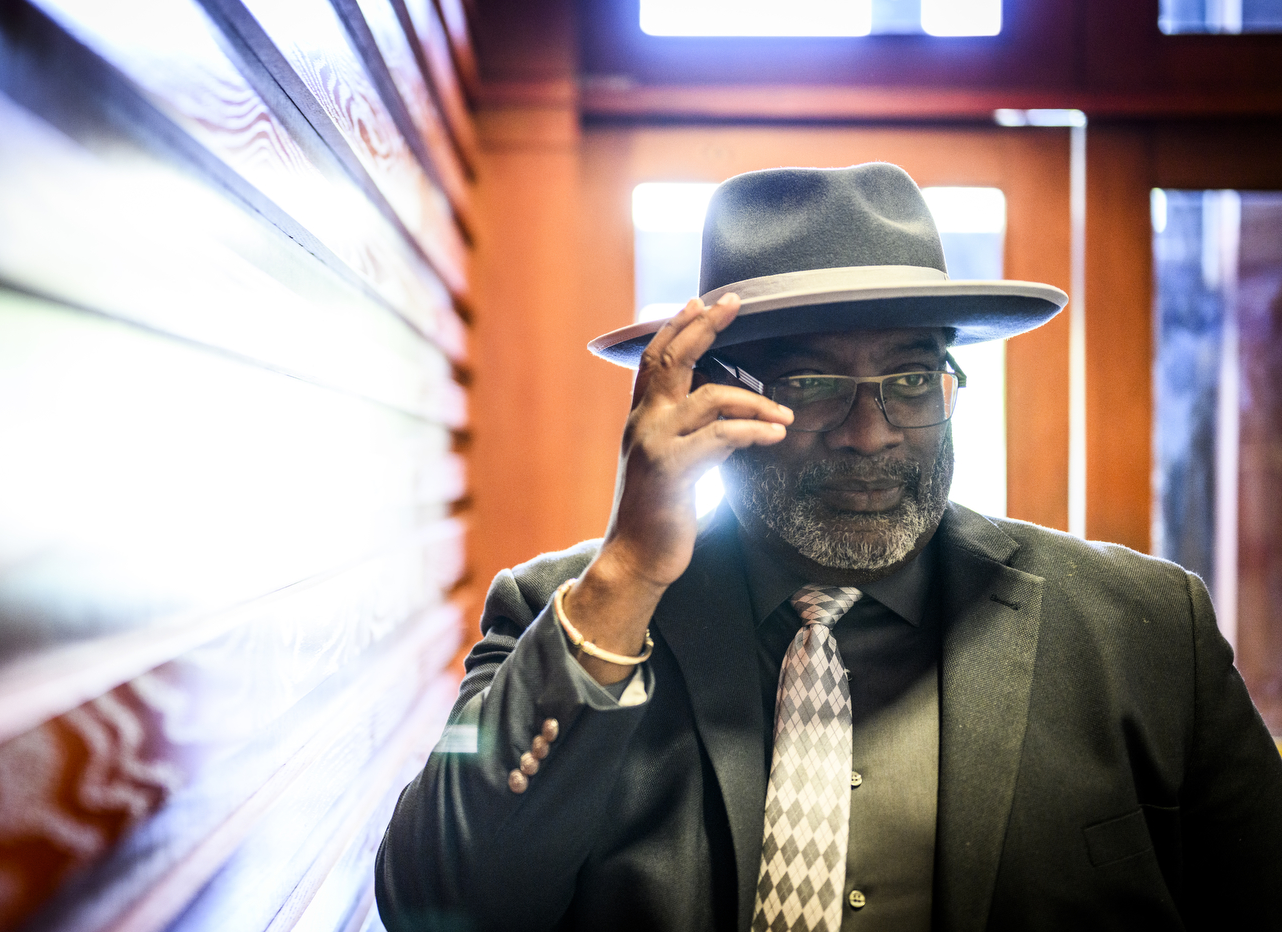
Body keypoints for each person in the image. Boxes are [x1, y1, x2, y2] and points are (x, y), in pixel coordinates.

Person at [375, 163, 1282, 932]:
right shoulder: (566, 616)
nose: (870, 431)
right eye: (810, 383)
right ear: (713, 399)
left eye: (911, 379)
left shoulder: (1147, 632)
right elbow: (437, 901)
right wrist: (629, 569)